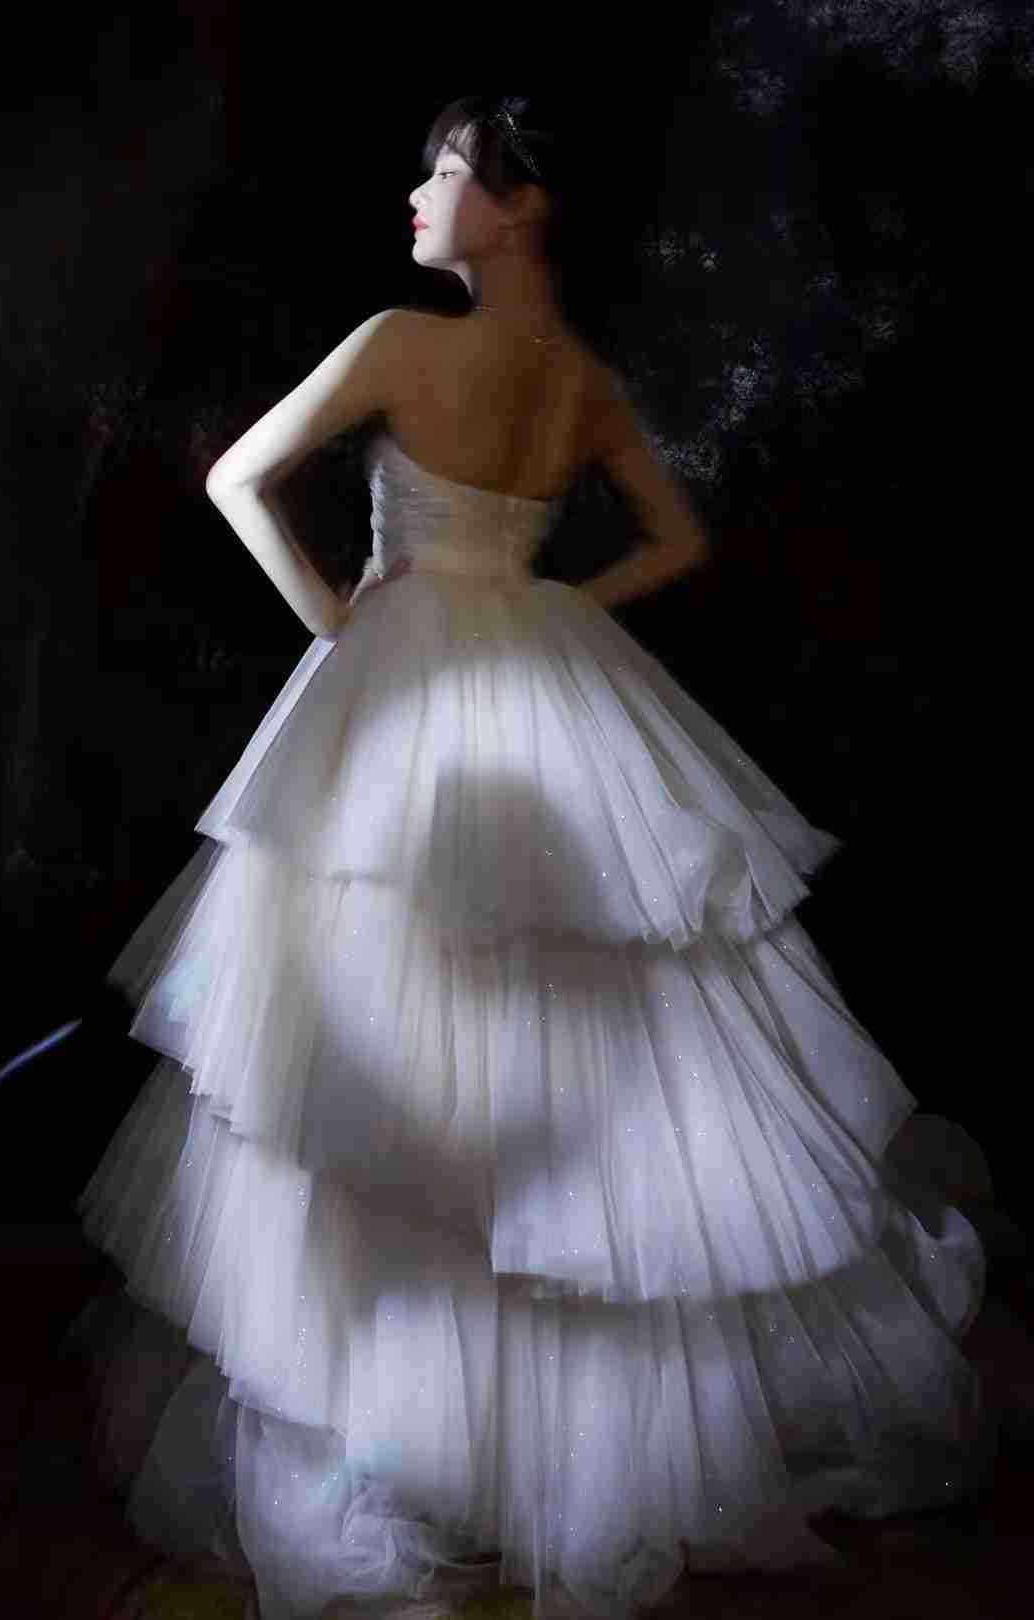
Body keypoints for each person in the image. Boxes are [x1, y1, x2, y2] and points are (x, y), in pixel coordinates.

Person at [75, 95, 998, 1620]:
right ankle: (580, 1452)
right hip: (546, 682)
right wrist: (555, 610)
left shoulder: (400, 342)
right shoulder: (581, 382)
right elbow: (677, 543)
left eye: (446, 172)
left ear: (521, 206)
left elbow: (241, 477)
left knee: (396, 1037)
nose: (417, 192)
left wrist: (339, 624)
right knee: (601, 1039)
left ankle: (420, 1431)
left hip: (411, 689)